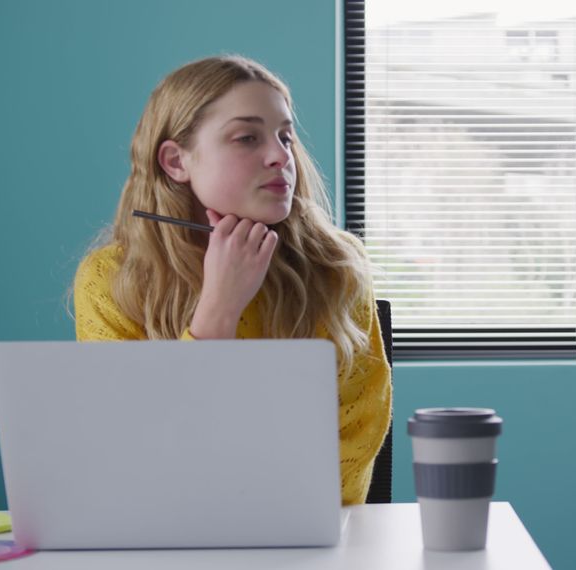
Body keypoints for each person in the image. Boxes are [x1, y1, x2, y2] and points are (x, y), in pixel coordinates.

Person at [71, 55, 391, 506]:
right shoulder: (110, 280)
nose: (282, 155)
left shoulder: (335, 266)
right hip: (165, 534)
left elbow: (357, 433)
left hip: (304, 534)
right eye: (247, 138)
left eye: (285, 135)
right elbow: (131, 451)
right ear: (176, 161)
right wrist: (218, 309)